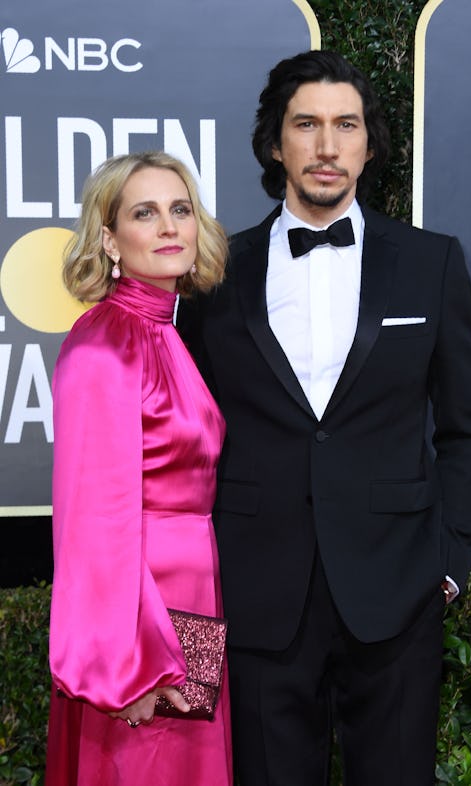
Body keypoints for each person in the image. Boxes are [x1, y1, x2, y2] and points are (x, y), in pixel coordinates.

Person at [177, 51, 471, 786]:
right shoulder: (214, 272)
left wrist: (448, 564)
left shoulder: (431, 263)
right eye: (307, 125)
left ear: (370, 143)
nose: (327, 147)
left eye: (345, 125)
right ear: (274, 143)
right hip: (256, 594)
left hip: (396, 593)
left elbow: (467, 429)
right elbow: (185, 437)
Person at [45, 151, 232, 786]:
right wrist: (121, 668)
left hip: (195, 600)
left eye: (180, 210)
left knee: (193, 768)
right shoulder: (104, 343)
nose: (169, 227)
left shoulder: (167, 333)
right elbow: (91, 525)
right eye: (144, 213)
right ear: (109, 238)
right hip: (137, 629)